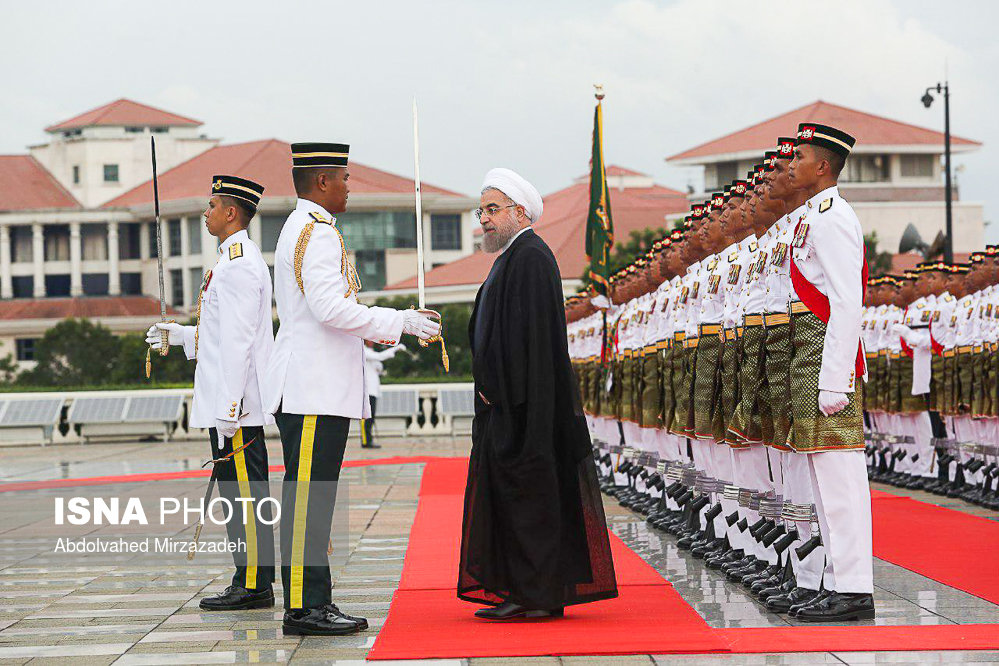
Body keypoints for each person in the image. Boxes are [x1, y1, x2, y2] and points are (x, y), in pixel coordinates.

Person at [264, 142, 441, 636]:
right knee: (308, 499)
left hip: (312, 386)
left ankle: (312, 601)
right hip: (312, 388)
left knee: (311, 498)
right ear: (323, 181)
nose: (349, 185)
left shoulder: (306, 227)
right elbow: (329, 309)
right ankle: (304, 607)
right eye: (344, 177)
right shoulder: (315, 233)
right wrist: (399, 320)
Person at [458, 167, 618, 620]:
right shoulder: (512, 256)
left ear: (520, 211)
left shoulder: (530, 256)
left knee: (530, 497)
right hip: (508, 406)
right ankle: (524, 589)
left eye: (493, 209)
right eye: (482, 210)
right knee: (516, 498)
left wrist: (506, 394)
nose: (484, 219)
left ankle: (536, 594)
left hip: (524, 408)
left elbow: (528, 341)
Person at [146, 175, 276, 611]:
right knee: (235, 496)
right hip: (228, 401)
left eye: (211, 206)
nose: (206, 213)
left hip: (236, 406)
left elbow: (240, 341)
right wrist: (181, 334)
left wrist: (230, 408)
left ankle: (255, 584)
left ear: (231, 213)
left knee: (246, 496)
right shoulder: (228, 260)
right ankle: (248, 578)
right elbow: (220, 337)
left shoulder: (239, 264)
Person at [785, 123, 874, 621]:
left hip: (825, 356)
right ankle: (838, 582)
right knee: (822, 475)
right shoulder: (809, 217)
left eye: (799, 156)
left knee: (840, 476)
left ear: (823, 166)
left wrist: (835, 378)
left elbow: (846, 301)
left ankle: (855, 586)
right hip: (809, 354)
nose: (791, 164)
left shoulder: (834, 216)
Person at [361, 340, 406, 449]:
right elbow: (380, 356)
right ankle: (366, 441)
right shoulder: (364, 351)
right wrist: (395, 348)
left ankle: (369, 439)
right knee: (366, 418)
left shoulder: (371, 353)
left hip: (373, 390)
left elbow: (379, 367)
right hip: (367, 390)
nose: (371, 342)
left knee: (371, 418)